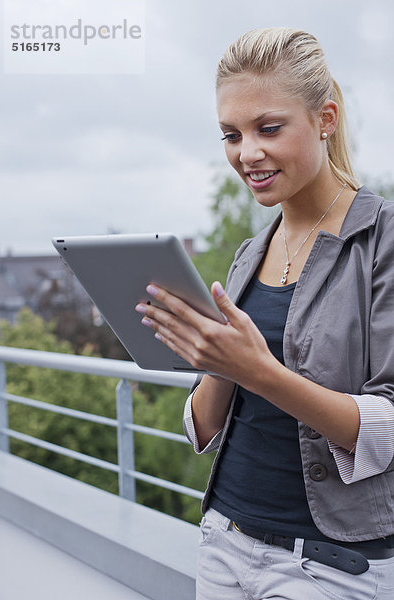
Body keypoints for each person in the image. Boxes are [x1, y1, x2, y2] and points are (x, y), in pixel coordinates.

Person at [135, 27, 394, 600]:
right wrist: (213, 359)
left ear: (325, 118)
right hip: (223, 539)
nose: (246, 153)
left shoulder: (383, 241)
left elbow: (388, 428)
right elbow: (204, 429)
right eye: (231, 134)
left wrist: (259, 371)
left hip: (327, 566)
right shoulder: (251, 252)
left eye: (267, 128)